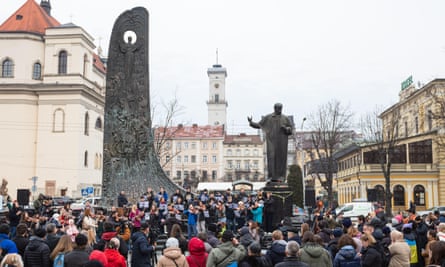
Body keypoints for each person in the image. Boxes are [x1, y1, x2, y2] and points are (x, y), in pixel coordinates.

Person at [248, 103, 292, 183]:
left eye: (280, 108)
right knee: (271, 158)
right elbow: (259, 125)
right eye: (278, 108)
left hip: (282, 142)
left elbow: (290, 129)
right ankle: (271, 177)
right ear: (274, 108)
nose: (279, 110)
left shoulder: (285, 118)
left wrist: (286, 128)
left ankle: (281, 177)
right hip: (271, 141)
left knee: (281, 159)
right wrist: (251, 122)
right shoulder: (268, 117)